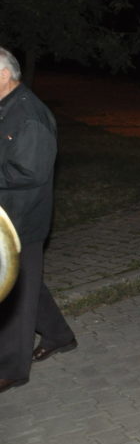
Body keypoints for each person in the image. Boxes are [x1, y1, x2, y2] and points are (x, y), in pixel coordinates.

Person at [0, 47, 77, 393]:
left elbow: (30, 171)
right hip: (6, 216)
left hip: (22, 220)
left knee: (16, 292)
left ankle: (11, 369)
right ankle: (59, 335)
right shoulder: (5, 107)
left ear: (4, 75)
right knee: (24, 282)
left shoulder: (30, 115)